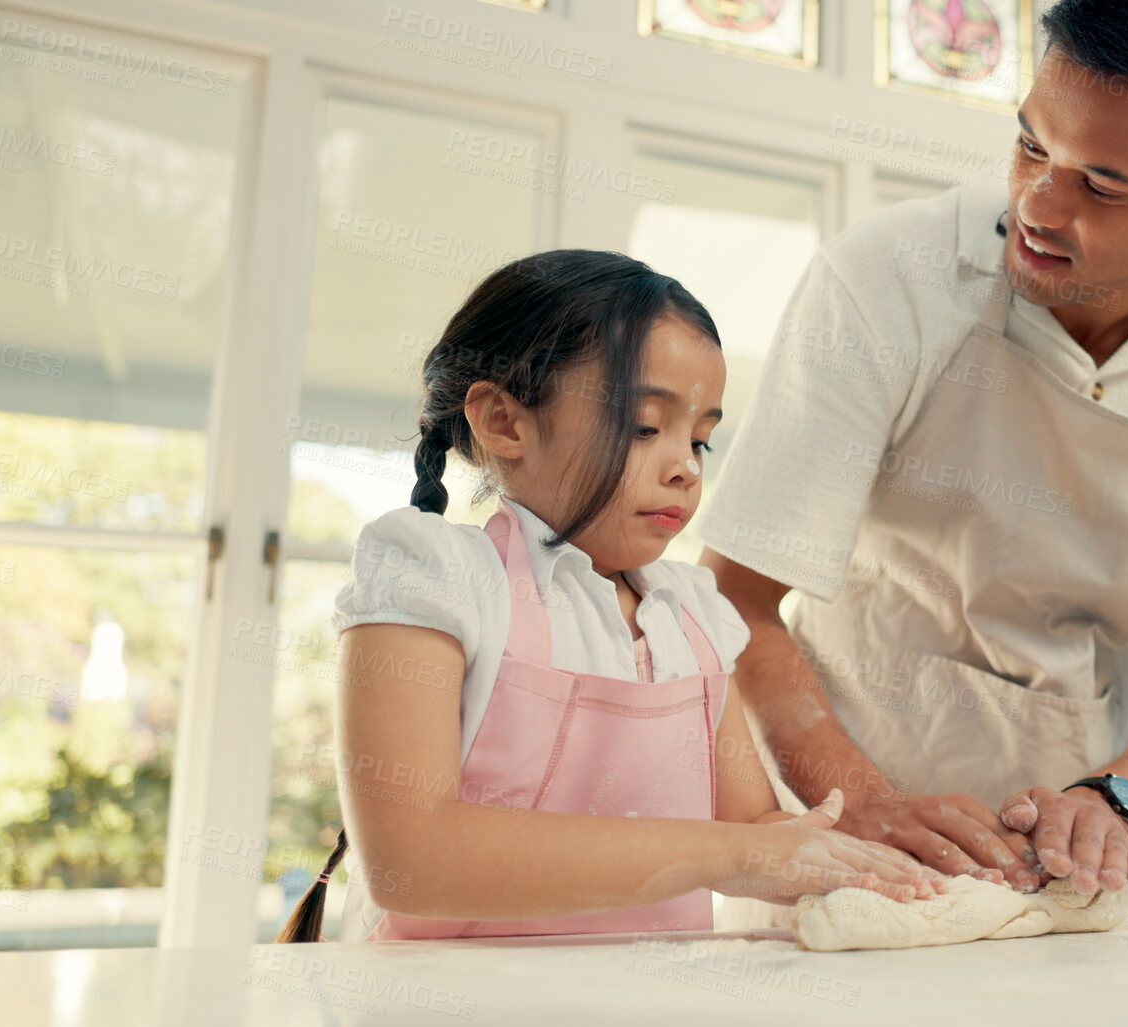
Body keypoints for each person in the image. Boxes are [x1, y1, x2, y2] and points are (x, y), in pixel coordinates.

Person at [697, 0, 1128, 913]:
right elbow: (736, 598)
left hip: (1081, 854)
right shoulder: (884, 280)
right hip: (837, 826)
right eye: (1030, 146)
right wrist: (859, 804)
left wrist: (1116, 801)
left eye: (1100, 187)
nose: (1038, 205)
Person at [277, 250, 937, 943]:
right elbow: (410, 860)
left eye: (701, 440)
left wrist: (846, 859)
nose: (683, 465)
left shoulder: (693, 615)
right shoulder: (435, 578)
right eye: (645, 426)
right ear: (504, 421)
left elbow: (750, 826)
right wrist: (737, 853)